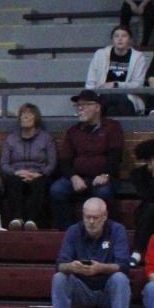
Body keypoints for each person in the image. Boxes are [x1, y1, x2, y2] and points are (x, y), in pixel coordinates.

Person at [43, 198, 133, 308]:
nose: (91, 222)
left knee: (120, 279)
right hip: (82, 290)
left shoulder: (117, 230)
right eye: (87, 217)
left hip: (107, 290)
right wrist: (71, 267)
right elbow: (59, 265)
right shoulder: (73, 231)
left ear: (105, 216)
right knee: (59, 277)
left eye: (95, 218)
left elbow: (124, 266)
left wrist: (100, 268)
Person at [52, 91, 125, 227]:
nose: (80, 108)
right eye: (78, 105)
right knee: (57, 190)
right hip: (78, 177)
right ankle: (68, 231)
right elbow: (65, 159)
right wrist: (73, 177)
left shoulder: (112, 127)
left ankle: (108, 232)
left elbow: (115, 155)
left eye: (85, 105)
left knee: (103, 192)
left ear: (97, 107)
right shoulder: (73, 131)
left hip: (104, 177)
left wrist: (105, 174)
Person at [0, 103, 56, 231]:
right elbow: (4, 164)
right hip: (16, 174)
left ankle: (32, 220)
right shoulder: (11, 138)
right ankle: (17, 219)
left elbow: (51, 164)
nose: (26, 117)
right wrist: (16, 172)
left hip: (38, 174)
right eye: (23, 114)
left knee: (40, 183)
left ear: (36, 118)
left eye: (29, 114)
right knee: (13, 181)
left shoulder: (46, 138)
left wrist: (39, 173)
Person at [84, 24, 152, 118]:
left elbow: (138, 84)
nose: (120, 39)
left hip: (127, 96)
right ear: (112, 39)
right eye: (116, 36)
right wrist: (89, 100)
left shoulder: (138, 57)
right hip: (103, 94)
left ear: (130, 40)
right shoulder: (100, 54)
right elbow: (91, 81)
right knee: (109, 107)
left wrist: (116, 85)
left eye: (124, 36)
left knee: (119, 102)